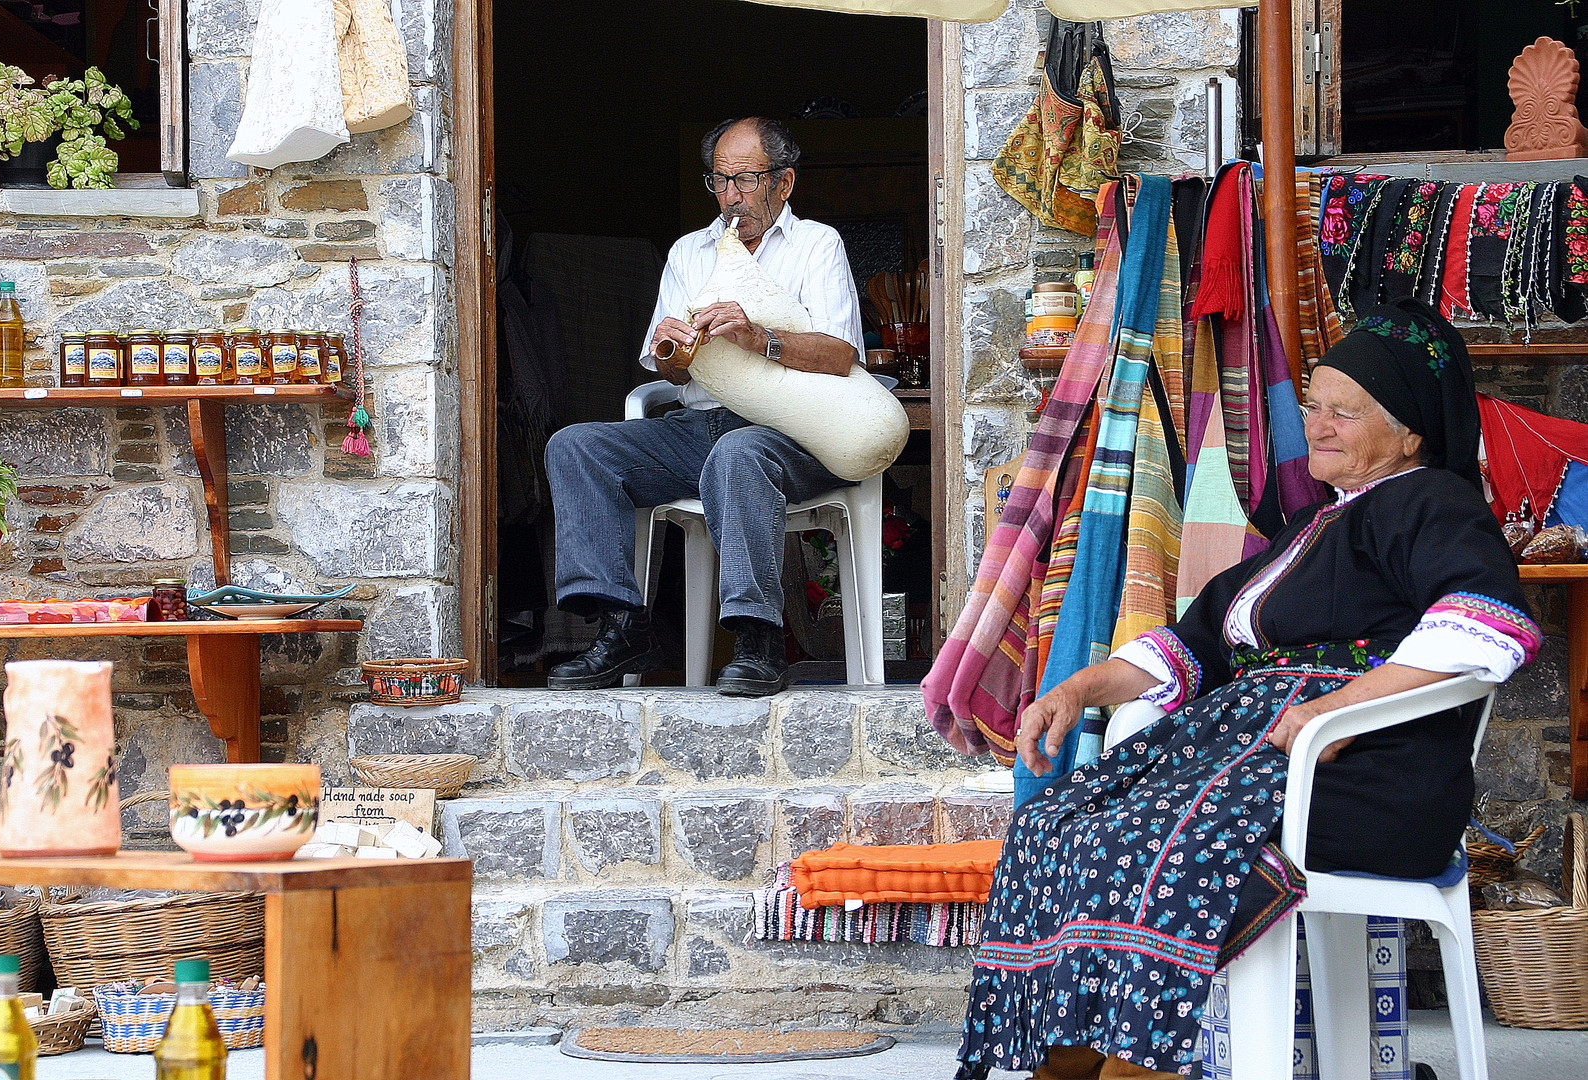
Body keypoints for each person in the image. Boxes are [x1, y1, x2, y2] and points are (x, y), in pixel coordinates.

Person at [955, 300, 1540, 1080]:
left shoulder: (1435, 503)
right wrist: (1078, 689)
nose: (1319, 425)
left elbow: (1488, 628)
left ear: (1411, 433)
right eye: (1313, 406)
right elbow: (1193, 645)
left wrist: (1334, 710)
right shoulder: (1311, 525)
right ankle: (1064, 1062)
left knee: (1150, 839)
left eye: (1345, 411)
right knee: (1057, 822)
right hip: (1258, 751)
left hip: (1366, 772)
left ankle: (1138, 1068)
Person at [543, 117, 864, 696]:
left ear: (784, 182)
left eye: (745, 179)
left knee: (739, 452)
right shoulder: (690, 251)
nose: (730, 196)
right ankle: (620, 625)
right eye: (719, 181)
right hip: (701, 426)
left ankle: (757, 638)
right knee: (577, 448)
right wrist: (673, 348)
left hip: (792, 429)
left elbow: (842, 354)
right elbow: (664, 368)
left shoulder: (818, 244)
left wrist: (758, 337)